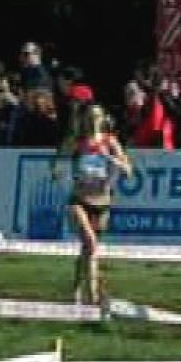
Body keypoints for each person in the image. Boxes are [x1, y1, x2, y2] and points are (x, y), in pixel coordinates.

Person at [54, 102, 134, 315]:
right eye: (89, 117)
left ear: (103, 119)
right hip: (79, 199)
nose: (92, 121)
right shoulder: (76, 142)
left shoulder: (110, 142)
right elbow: (57, 163)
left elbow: (128, 171)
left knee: (88, 249)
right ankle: (94, 296)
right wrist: (60, 172)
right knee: (89, 242)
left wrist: (111, 159)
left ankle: (76, 290)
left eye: (97, 117)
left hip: (102, 201)